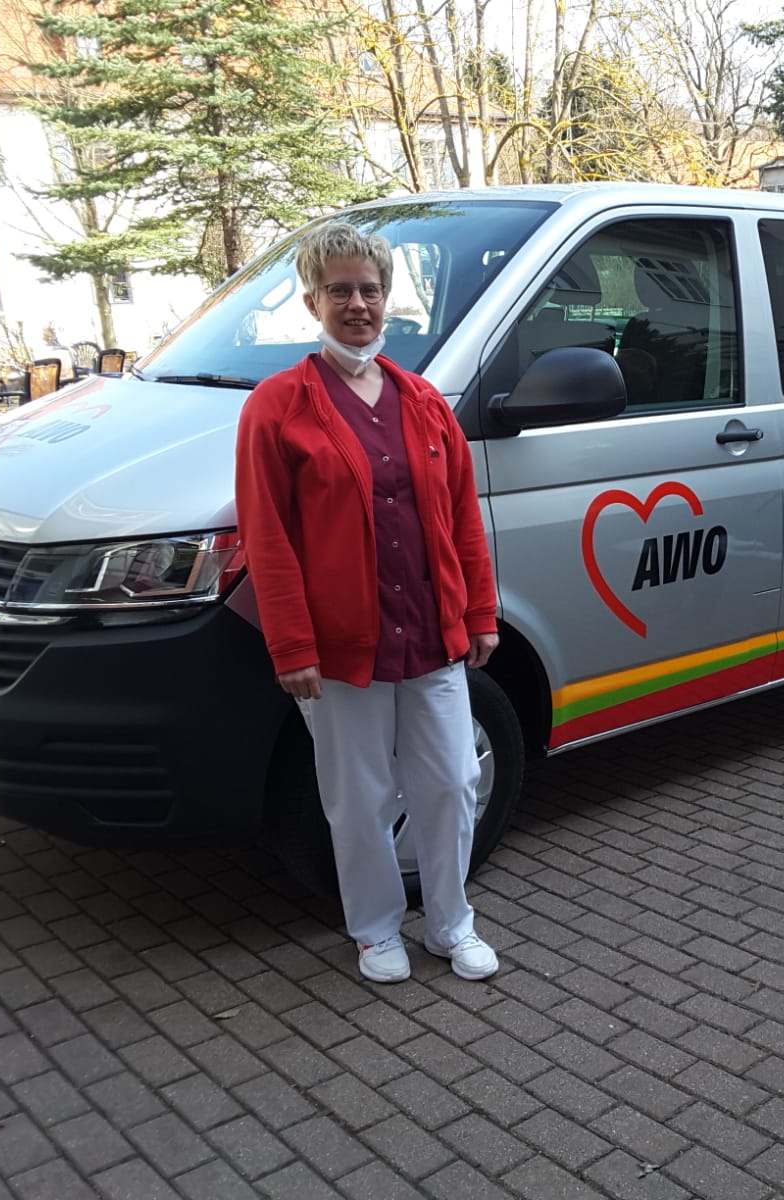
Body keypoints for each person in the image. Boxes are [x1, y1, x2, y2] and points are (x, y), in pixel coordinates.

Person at [235, 222, 500, 983]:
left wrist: (478, 612)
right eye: (341, 290)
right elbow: (269, 537)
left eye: (371, 290)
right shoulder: (277, 407)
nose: (358, 304)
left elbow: (459, 518)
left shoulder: (423, 401)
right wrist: (291, 645)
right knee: (359, 797)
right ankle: (377, 929)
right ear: (313, 299)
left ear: (388, 299)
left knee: (451, 782)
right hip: (343, 646)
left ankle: (451, 924)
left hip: (431, 634)